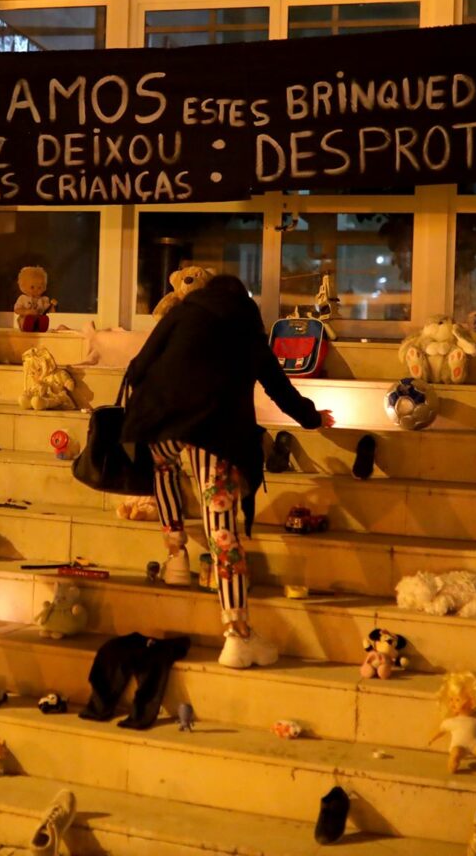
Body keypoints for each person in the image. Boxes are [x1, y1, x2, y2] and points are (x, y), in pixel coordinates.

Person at [122, 274, 335, 669]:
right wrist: (311, 418)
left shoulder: (184, 312)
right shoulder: (246, 329)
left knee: (164, 466)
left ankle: (176, 555)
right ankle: (237, 635)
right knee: (222, 533)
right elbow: (277, 386)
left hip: (160, 425)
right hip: (213, 435)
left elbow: (138, 366)